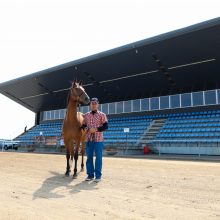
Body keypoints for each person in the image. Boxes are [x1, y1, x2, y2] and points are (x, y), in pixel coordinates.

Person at [81, 97, 108, 182]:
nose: (93, 105)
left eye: (95, 103)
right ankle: (90, 175)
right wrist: (85, 128)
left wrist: (96, 129)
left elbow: (106, 126)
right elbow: (83, 125)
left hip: (98, 140)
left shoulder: (102, 115)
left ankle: (98, 176)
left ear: (98, 105)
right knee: (89, 158)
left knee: (98, 158)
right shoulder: (86, 115)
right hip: (89, 139)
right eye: (92, 103)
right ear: (90, 105)